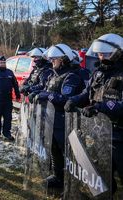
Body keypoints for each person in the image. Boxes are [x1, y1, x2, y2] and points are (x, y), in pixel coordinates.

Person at [64, 33, 123, 193]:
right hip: (100, 132)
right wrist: (73, 100)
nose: (100, 56)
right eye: (99, 53)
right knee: (102, 174)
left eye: (104, 53)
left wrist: (99, 107)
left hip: (119, 135)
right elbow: (86, 93)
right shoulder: (98, 73)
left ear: (118, 53)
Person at [30, 44, 85, 188]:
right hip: (52, 119)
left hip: (66, 120)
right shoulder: (54, 75)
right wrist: (36, 93)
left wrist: (48, 95)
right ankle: (57, 176)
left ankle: (72, 180)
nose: (52, 61)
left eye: (55, 59)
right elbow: (45, 89)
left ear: (64, 59)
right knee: (54, 148)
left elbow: (65, 98)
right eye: (51, 59)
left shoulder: (71, 76)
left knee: (68, 152)